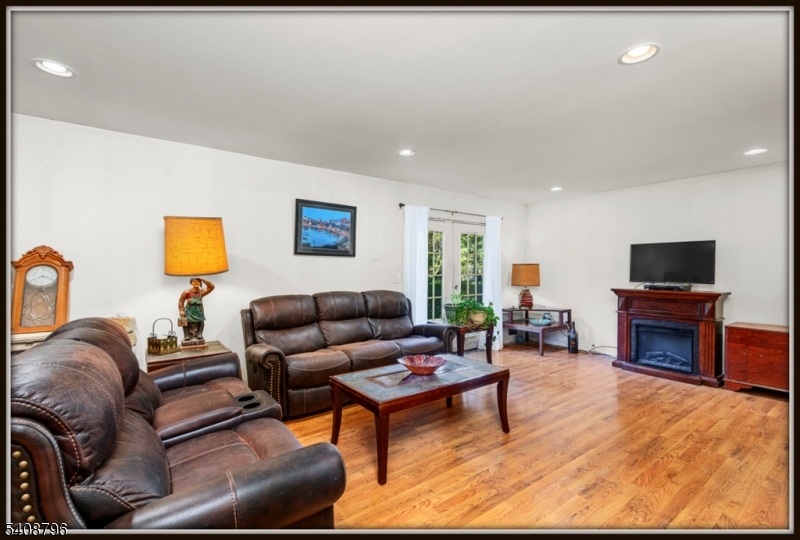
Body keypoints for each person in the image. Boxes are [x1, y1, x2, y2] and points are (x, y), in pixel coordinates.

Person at [178, 277, 215, 345]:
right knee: (185, 322)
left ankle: (199, 334)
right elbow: (181, 301)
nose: (196, 283)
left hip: (199, 310)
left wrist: (203, 280)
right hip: (189, 310)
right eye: (194, 281)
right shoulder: (187, 292)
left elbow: (212, 286)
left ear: (200, 282)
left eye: (198, 281)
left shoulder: (202, 292)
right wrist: (181, 310)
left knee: (201, 321)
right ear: (191, 283)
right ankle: (186, 335)